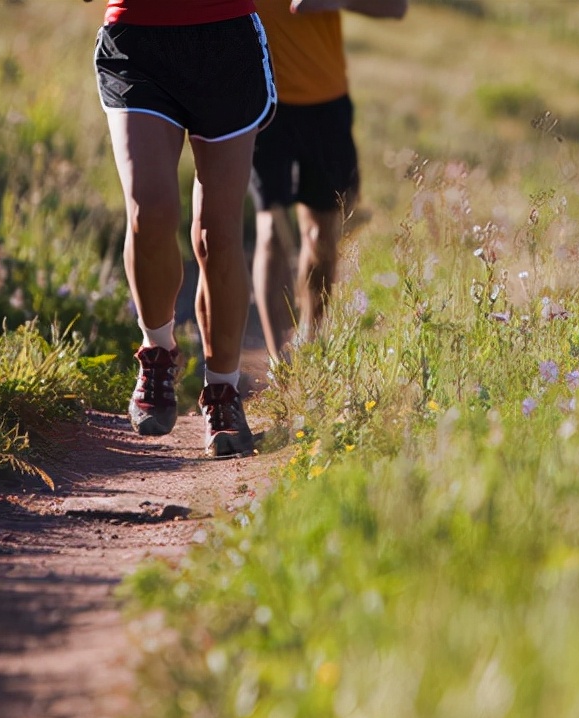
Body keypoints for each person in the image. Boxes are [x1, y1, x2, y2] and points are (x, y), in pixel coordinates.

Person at [92, 0, 276, 458]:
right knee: (147, 212)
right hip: (138, 40)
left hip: (225, 40)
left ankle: (223, 393)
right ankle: (156, 351)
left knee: (215, 232)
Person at [249, 0, 407, 361]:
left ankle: (310, 338)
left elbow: (396, 7)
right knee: (271, 230)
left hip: (326, 104)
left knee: (322, 236)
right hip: (262, 101)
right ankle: (279, 361)